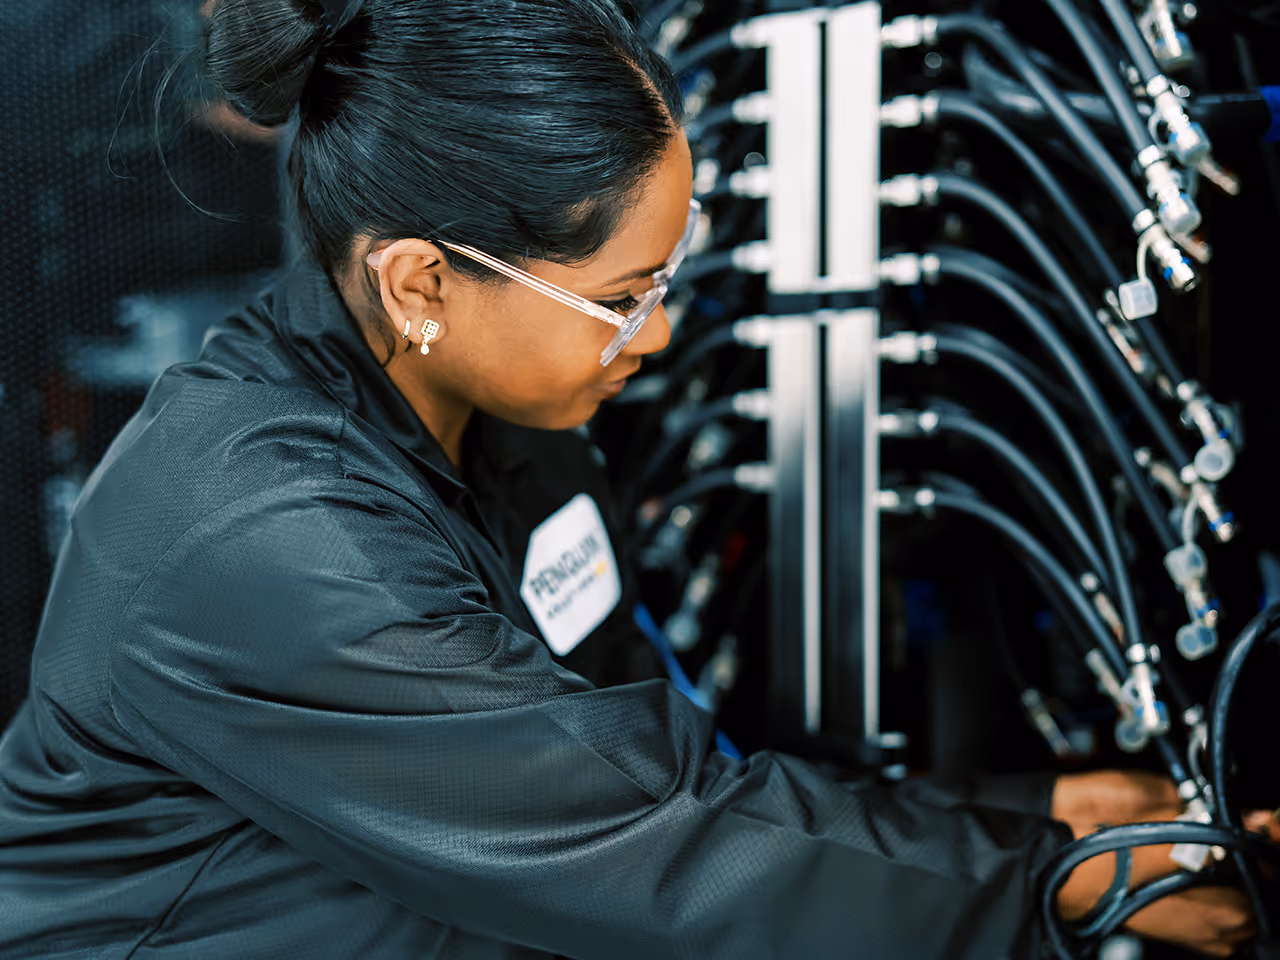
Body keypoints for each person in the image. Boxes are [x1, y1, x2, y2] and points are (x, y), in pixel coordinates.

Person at [0, 0, 1261, 957]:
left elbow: (632, 774)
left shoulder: (497, 426)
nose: (653, 336)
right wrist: (1048, 877)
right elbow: (650, 853)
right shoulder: (270, 536)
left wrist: (1020, 807)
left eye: (663, 283)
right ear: (420, 282)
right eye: (619, 299)